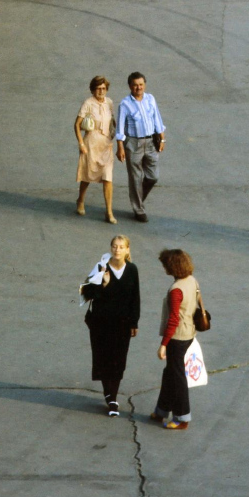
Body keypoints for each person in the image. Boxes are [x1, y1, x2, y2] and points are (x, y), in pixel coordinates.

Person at [81, 235, 140, 416]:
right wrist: (103, 285)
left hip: (122, 324)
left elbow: (135, 298)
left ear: (127, 249)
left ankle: (112, 396)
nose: (117, 250)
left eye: (121, 247)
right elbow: (86, 292)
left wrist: (134, 322)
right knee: (103, 358)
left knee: (118, 360)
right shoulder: (101, 267)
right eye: (114, 246)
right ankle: (109, 394)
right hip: (101, 323)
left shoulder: (132, 269)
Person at [151, 248, 202, 431]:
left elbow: (173, 320)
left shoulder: (176, 290)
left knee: (177, 377)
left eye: (165, 265)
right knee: (170, 373)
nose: (164, 268)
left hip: (178, 337)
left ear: (172, 267)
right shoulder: (192, 280)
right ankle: (162, 410)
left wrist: (163, 344)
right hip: (189, 332)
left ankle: (182, 417)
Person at [116, 72, 165, 223]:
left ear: (145, 84)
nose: (139, 88)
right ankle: (138, 209)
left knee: (153, 176)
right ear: (130, 86)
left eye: (141, 84)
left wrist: (162, 138)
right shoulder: (125, 104)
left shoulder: (150, 99)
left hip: (150, 142)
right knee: (135, 178)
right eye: (135, 85)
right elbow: (120, 128)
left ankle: (137, 199)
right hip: (133, 143)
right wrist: (120, 148)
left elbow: (157, 118)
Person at [75, 76, 117, 223]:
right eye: (98, 88)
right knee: (87, 176)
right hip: (91, 143)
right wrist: (81, 144)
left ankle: (109, 212)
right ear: (93, 89)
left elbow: (112, 122)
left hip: (106, 144)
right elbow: (77, 124)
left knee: (107, 177)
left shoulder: (109, 102)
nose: (101, 91)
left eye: (104, 88)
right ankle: (80, 200)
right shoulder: (88, 103)